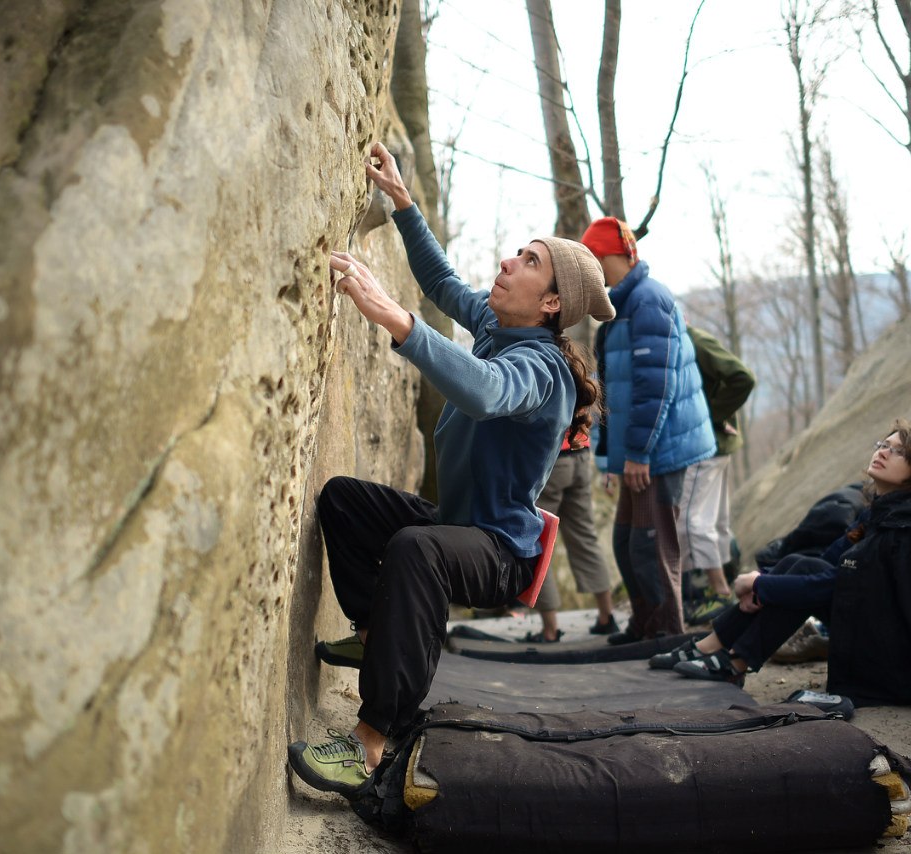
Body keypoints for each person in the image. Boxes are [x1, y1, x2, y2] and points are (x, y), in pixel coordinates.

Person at [287, 142, 615, 797]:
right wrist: (404, 204)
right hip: (458, 525)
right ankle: (379, 636)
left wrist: (392, 317)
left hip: (500, 552)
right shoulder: (497, 325)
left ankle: (372, 742)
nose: (507, 261)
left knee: (418, 549)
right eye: (518, 251)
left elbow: (487, 391)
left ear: (552, 304)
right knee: (344, 499)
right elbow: (440, 285)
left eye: (529, 261)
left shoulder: (542, 369)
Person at [665, 420, 911, 706]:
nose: (881, 452)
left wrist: (759, 584)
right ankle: (717, 647)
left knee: (804, 576)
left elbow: (835, 584)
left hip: (908, 665)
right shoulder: (884, 511)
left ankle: (731, 659)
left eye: (897, 451)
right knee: (799, 563)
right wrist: (765, 583)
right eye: (883, 444)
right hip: (884, 632)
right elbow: (828, 563)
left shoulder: (909, 528)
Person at [581, 217, 716, 644]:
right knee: (626, 541)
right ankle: (644, 625)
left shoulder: (648, 300)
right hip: (640, 451)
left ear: (613, 256)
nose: (592, 270)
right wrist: (610, 458)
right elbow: (611, 390)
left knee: (652, 546)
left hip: (661, 451)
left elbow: (655, 386)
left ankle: (666, 631)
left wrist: (638, 453)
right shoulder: (618, 307)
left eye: (594, 259)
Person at [679, 326, 755, 624]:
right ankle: (723, 593)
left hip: (707, 445)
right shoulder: (683, 338)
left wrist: (708, 414)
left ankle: (719, 591)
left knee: (690, 522)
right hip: (713, 444)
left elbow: (743, 377)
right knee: (714, 521)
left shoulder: (694, 339)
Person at [523, 422, 618, 642]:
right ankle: (607, 616)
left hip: (551, 457)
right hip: (581, 454)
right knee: (585, 536)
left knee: (538, 541)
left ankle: (550, 630)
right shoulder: (588, 384)